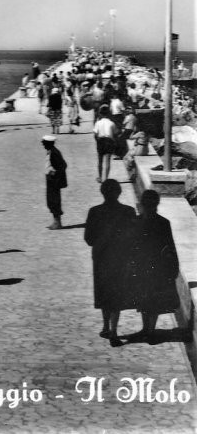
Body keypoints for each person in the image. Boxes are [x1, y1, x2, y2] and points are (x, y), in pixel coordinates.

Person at [84, 179, 136, 347]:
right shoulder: (128, 211)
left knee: (104, 292)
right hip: (121, 258)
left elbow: (88, 239)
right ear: (119, 192)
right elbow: (132, 237)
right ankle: (113, 330)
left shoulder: (94, 211)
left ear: (103, 193)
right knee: (116, 293)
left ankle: (106, 326)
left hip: (101, 258)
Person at [124, 190, 180, 343]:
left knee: (143, 297)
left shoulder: (135, 221)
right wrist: (173, 268)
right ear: (157, 203)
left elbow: (129, 246)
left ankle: (147, 330)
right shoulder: (163, 222)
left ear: (142, 203)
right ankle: (149, 330)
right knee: (152, 299)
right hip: (157, 267)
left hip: (140, 266)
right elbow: (170, 247)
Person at [42, 135, 68, 229]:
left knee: (54, 200)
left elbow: (63, 165)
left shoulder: (54, 152)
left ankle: (57, 223)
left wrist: (55, 174)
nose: (43, 144)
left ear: (49, 143)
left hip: (54, 180)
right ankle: (55, 221)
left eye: (44, 143)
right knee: (51, 200)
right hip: (50, 179)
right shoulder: (50, 151)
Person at [92, 105, 119, 183]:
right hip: (109, 141)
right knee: (107, 161)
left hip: (100, 140)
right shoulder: (111, 123)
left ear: (100, 114)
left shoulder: (98, 123)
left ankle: (100, 177)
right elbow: (116, 133)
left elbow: (95, 134)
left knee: (100, 160)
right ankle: (106, 178)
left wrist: (97, 141)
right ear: (109, 114)